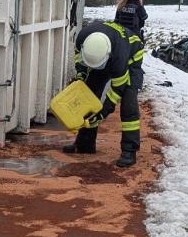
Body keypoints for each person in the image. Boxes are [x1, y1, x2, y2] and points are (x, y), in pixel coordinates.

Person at [62, 19, 144, 167]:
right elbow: (78, 57)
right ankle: (85, 145)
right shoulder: (83, 37)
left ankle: (129, 151)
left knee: (128, 104)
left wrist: (101, 115)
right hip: (108, 52)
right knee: (89, 94)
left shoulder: (119, 58)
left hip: (131, 59)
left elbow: (116, 92)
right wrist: (81, 76)